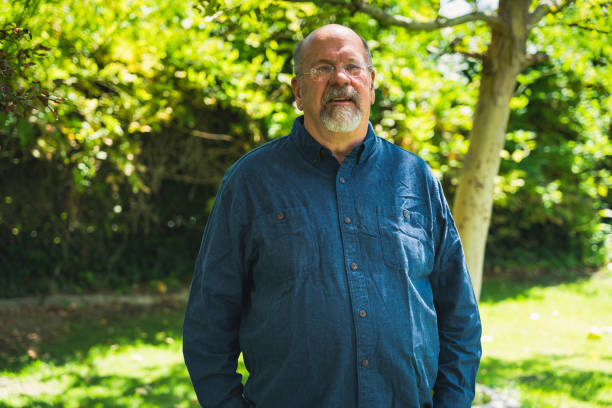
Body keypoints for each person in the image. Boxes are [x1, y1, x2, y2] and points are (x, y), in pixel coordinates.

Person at [183, 24, 481, 408]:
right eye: (322, 68)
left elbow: (459, 315)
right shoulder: (250, 183)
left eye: (353, 68)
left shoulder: (415, 178)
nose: (340, 78)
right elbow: (208, 325)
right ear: (297, 91)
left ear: (371, 84)